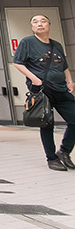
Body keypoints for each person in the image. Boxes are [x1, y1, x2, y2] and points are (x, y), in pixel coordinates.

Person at [12, 14, 75, 171]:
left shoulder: (57, 45)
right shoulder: (27, 42)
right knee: (46, 123)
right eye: (35, 21)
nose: (39, 24)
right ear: (32, 27)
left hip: (61, 88)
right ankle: (51, 158)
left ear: (49, 24)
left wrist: (69, 81)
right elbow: (17, 63)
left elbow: (64, 66)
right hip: (41, 90)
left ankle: (64, 151)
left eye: (43, 21)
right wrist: (34, 79)